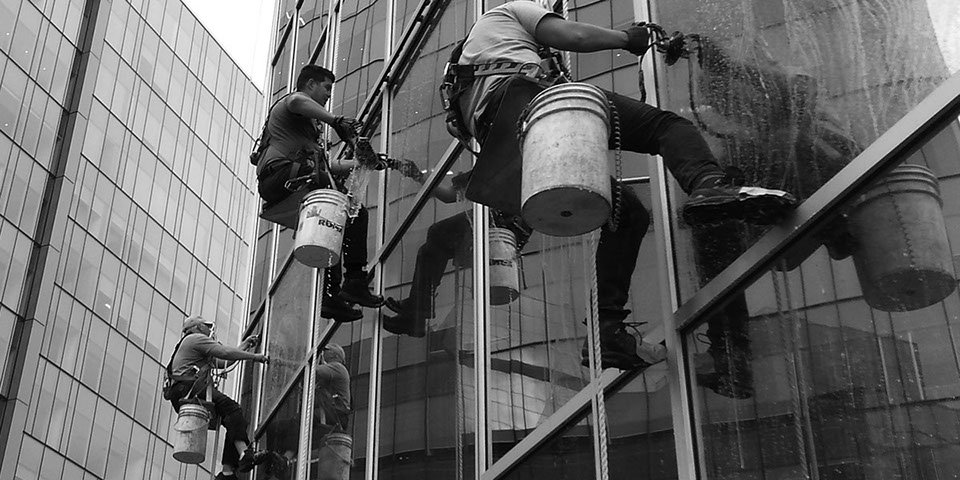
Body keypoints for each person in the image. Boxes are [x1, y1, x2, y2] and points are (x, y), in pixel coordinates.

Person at [447, 0, 798, 369]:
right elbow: (575, 35)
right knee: (667, 128)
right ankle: (709, 185)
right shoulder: (507, 12)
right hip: (526, 104)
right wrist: (630, 38)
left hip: (507, 141)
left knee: (628, 213)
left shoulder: (466, 65)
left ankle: (607, 329)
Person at [255, 64, 383, 322]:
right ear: (311, 84)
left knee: (342, 220)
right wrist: (336, 121)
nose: (328, 94)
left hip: (291, 177)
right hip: (282, 175)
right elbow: (296, 101)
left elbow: (329, 166)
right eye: (326, 87)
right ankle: (351, 282)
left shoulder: (309, 132)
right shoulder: (290, 104)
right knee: (344, 211)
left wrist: (365, 163)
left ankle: (335, 293)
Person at [383, 170, 534, 337]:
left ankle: (419, 307)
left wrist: (418, 175)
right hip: (509, 223)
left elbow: (449, 196)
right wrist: (418, 176)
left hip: (506, 220)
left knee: (437, 232)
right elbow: (449, 196)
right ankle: (415, 315)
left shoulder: (496, 160)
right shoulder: (495, 162)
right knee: (428, 251)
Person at [163, 316, 271, 479]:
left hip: (183, 390)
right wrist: (255, 357)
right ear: (198, 327)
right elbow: (225, 353)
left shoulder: (191, 346)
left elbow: (222, 362)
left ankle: (228, 471)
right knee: (233, 409)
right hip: (190, 388)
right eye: (206, 326)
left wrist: (245, 346)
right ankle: (243, 454)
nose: (209, 330)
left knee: (232, 419)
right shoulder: (195, 339)